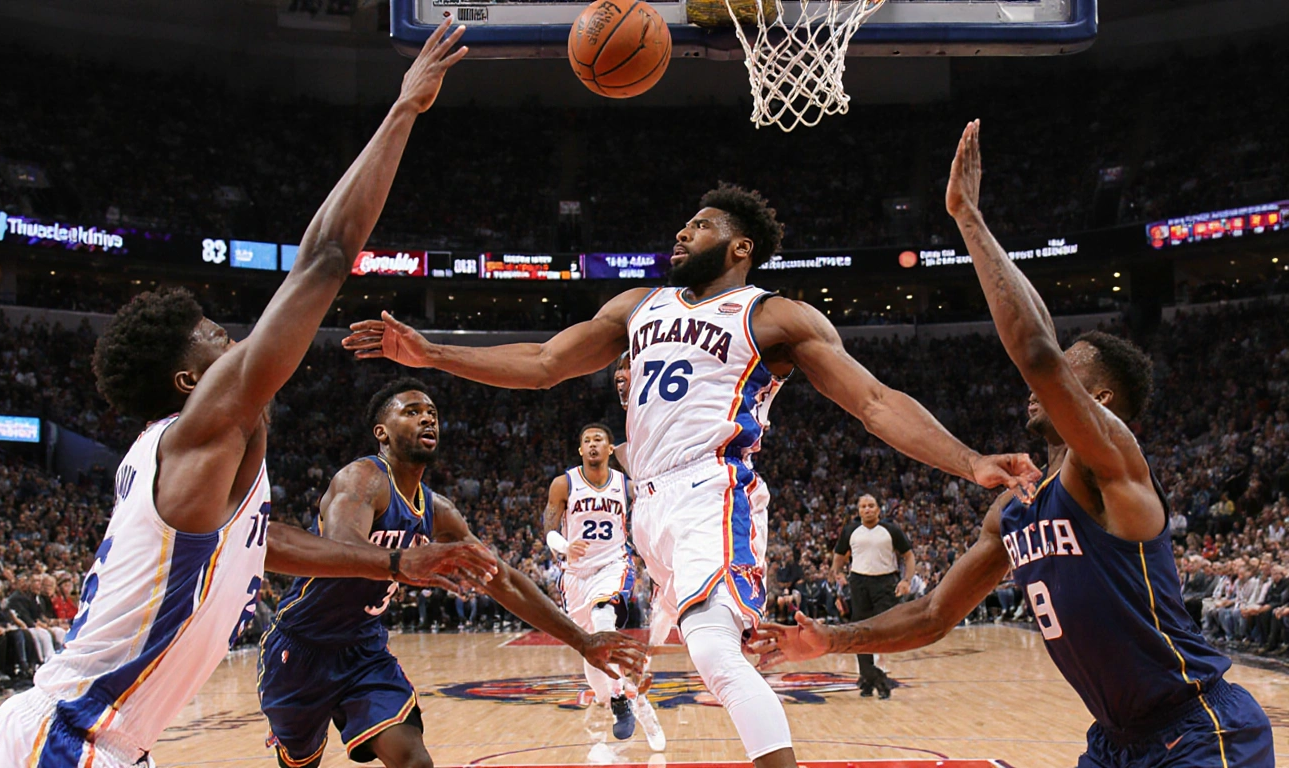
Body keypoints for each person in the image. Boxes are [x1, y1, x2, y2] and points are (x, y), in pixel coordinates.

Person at [343, 177, 1039, 767]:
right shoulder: (638, 306)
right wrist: (433, 354)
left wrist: (968, 460)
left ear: (739, 247)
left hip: (715, 490)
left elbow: (875, 402)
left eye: (698, 226)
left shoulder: (775, 316)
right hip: (648, 510)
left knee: (712, 647)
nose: (681, 234)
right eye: (682, 225)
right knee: (712, 648)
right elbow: (544, 363)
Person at [0, 22, 499, 767]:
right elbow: (324, 257)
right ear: (193, 386)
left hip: (98, 737)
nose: (238, 345)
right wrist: (403, 109)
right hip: (72, 739)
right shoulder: (200, 432)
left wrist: (392, 565)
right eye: (217, 343)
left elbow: (262, 545)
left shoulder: (190, 468)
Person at [751, 121, 1274, 768]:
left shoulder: (1112, 463)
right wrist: (828, 641)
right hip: (1115, 743)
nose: (1042, 385)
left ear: (1100, 402)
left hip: (1196, 729)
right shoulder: (1017, 509)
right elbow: (935, 614)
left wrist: (969, 218)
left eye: (1071, 375)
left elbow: (1037, 353)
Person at [259, 381, 645, 768]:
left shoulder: (437, 510)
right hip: (302, 647)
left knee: (415, 761)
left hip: (364, 650)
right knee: (300, 763)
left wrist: (582, 640)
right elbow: (342, 545)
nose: (427, 417)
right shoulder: (363, 478)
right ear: (382, 432)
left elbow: (503, 579)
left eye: (432, 413)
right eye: (411, 411)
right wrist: (399, 562)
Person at [542, 422, 664, 749]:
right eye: (586, 440)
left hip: (613, 564)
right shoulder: (563, 483)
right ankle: (621, 699)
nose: (593, 444)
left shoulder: (626, 485)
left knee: (603, 621)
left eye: (599, 439)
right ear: (580, 450)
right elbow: (549, 527)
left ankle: (623, 698)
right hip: (575, 574)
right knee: (589, 646)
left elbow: (648, 517)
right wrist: (563, 545)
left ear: (611, 449)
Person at [831, 494, 914, 699]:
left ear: (878, 509)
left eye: (871, 505)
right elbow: (839, 556)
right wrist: (838, 573)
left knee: (881, 632)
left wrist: (906, 580)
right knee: (860, 632)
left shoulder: (891, 530)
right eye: (863, 506)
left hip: (885, 583)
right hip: (859, 583)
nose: (867, 509)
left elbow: (908, 555)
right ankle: (871, 677)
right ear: (858, 511)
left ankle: (870, 677)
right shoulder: (850, 530)